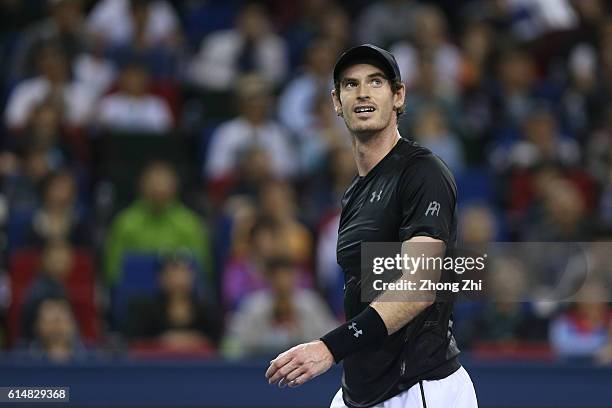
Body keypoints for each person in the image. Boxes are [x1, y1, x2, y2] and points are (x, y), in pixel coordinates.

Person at [265, 44, 478, 407]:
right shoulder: (353, 194)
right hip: (360, 391)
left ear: (398, 96)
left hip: (420, 389)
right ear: (336, 102)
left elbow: (419, 287)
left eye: (376, 82)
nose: (362, 92)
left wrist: (330, 347)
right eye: (350, 85)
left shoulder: (422, 172)